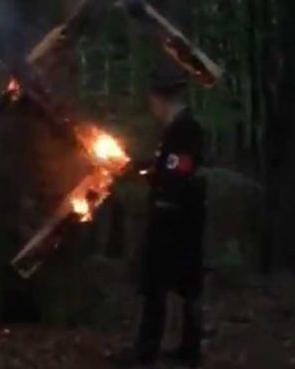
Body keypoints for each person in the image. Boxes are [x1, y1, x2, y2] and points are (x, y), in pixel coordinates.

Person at [112, 65, 207, 368]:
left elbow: (179, 172)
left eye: (152, 98)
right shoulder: (177, 129)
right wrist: (144, 169)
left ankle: (150, 352)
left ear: (160, 98)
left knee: (162, 285)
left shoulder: (185, 129)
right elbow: (169, 167)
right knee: (175, 285)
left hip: (176, 219)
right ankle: (184, 349)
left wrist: (156, 184)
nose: (151, 105)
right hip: (177, 216)